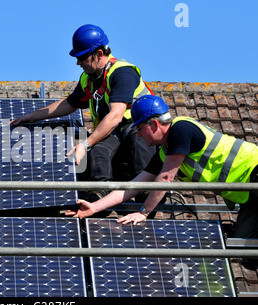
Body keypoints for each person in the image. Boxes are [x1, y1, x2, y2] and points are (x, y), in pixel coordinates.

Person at [65, 95, 258, 238]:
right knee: (244, 242)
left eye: (139, 129)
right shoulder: (164, 153)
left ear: (155, 125)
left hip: (254, 172)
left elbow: (165, 179)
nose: (139, 135)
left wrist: (144, 212)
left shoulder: (181, 130)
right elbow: (132, 186)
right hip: (248, 195)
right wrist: (94, 208)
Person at [11, 24, 156, 199]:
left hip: (139, 126)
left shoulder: (123, 73)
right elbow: (69, 104)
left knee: (137, 146)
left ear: (99, 54)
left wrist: (85, 144)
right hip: (115, 131)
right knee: (99, 151)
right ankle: (99, 195)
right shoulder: (88, 78)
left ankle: (147, 193)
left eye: (82, 57)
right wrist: (32, 116)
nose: (78, 62)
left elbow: (116, 115)